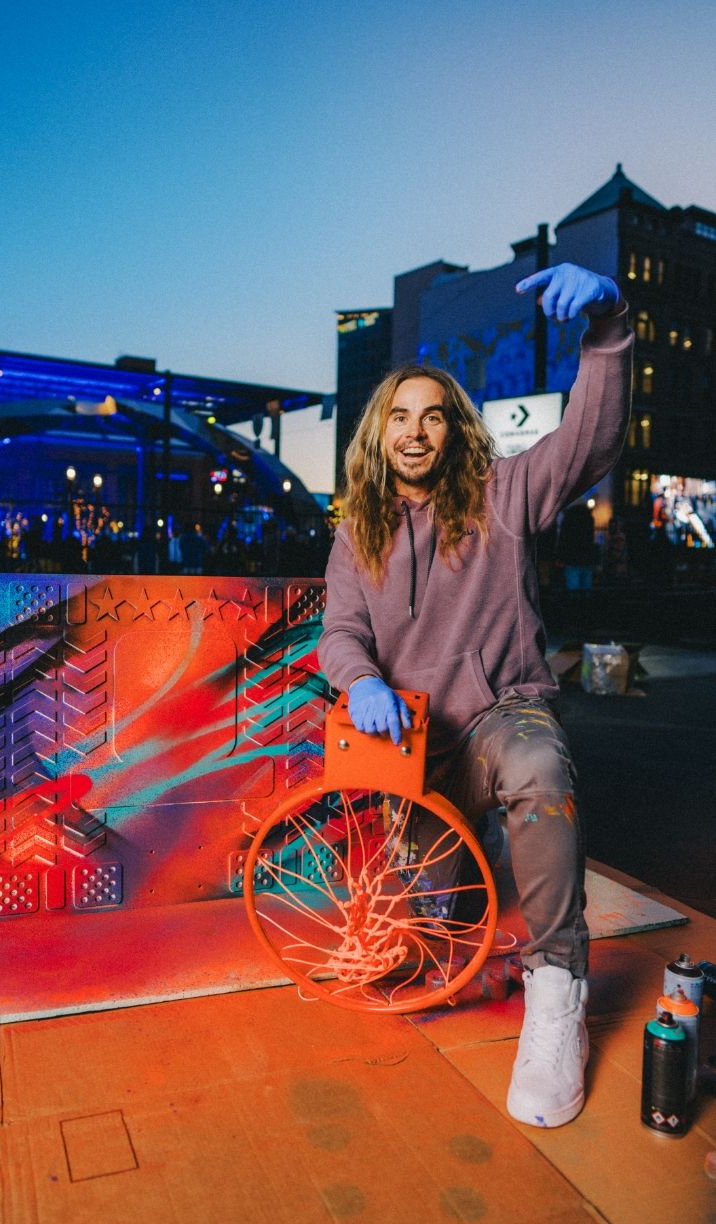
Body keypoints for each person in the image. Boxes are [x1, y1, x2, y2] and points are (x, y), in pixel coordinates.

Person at [318, 262, 632, 1129]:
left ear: (455, 430)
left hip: (500, 713)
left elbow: (591, 441)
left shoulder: (505, 496)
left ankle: (558, 986)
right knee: (427, 944)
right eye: (398, 418)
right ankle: (463, 901)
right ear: (378, 437)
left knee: (537, 764)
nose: (414, 433)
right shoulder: (359, 535)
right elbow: (338, 632)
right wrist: (364, 678)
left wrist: (607, 327)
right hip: (412, 741)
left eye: (431, 416)